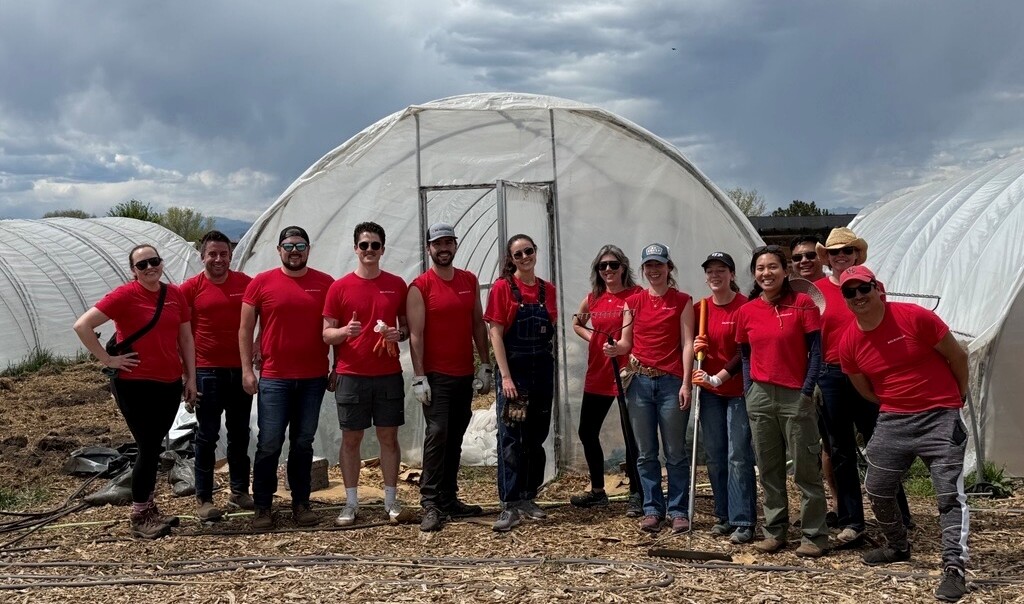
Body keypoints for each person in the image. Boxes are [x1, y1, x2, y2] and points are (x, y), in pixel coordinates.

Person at [837, 265, 970, 602]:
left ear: (877, 288)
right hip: (894, 419)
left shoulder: (915, 318)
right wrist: (897, 403)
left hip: (939, 415)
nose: (858, 297)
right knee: (878, 487)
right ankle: (897, 545)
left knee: (948, 495)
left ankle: (954, 568)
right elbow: (865, 389)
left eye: (863, 288)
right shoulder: (849, 341)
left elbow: (957, 356)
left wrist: (958, 397)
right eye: (849, 292)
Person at [72, 244, 196, 539]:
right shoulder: (125, 295)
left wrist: (191, 377)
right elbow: (82, 325)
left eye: (154, 261)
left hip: (168, 383)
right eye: (142, 265)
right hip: (134, 383)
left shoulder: (174, 295)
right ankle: (140, 514)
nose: (150, 267)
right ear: (133, 271)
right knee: (149, 446)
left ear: (161, 263)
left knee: (153, 447)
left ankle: (148, 507)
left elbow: (186, 339)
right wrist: (108, 359)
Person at [815, 227, 912, 544]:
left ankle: (898, 516)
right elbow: (812, 340)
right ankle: (852, 521)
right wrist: (813, 378)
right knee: (841, 449)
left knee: (881, 445)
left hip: (868, 373)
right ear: (827, 258)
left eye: (847, 251)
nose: (840, 256)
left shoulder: (872, 287)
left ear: (856, 254)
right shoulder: (815, 293)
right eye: (834, 252)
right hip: (832, 374)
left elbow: (885, 330)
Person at [736, 245, 828, 557]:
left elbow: (816, 352)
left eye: (773, 267)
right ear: (754, 273)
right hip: (760, 396)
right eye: (760, 268)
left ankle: (813, 535)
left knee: (805, 469)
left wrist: (806, 392)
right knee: (769, 469)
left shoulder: (802, 305)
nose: (766, 273)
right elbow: (745, 354)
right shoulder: (747, 311)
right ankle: (774, 532)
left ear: (785, 271)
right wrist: (749, 388)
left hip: (795, 395)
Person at [240, 226, 333, 530]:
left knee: (303, 442)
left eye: (301, 246)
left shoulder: (325, 284)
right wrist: (246, 369)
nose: (295, 251)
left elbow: (338, 328)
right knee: (269, 442)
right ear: (279, 249)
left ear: (309, 249)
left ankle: (301, 503)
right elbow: (245, 329)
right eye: (289, 246)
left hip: (313, 377)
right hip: (275, 378)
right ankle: (263, 506)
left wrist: (336, 368)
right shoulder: (261, 283)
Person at [406, 223, 491, 532]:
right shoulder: (421, 286)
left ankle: (449, 498)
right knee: (437, 433)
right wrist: (419, 377)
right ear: (429, 248)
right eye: (437, 244)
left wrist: (485, 364)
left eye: (448, 243)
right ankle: (429, 502)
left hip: (463, 373)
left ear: (455, 246)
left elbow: (477, 325)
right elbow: (415, 335)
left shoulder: (468, 280)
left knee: (455, 435)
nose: (443, 248)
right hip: (436, 375)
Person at [323, 222, 409, 527]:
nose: (369, 250)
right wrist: (346, 331)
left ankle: (391, 500)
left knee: (388, 437)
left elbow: (407, 327)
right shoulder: (340, 287)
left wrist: (399, 334)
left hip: (387, 374)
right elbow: (326, 334)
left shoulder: (397, 284)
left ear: (383, 249)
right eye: (364, 245)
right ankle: (350, 502)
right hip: (351, 375)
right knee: (351, 438)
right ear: (355, 249)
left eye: (375, 245)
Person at [610, 243, 695, 534]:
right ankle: (652, 508)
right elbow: (625, 342)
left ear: (669, 267)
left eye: (659, 264)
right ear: (643, 269)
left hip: (671, 383)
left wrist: (686, 382)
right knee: (645, 452)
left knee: (675, 451)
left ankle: (679, 509)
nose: (654, 270)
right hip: (640, 383)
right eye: (649, 265)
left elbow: (687, 344)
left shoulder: (682, 300)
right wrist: (613, 349)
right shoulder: (632, 303)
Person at [179, 230, 254, 521]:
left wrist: (258, 344)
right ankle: (204, 498)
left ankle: (239, 491)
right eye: (212, 254)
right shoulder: (190, 289)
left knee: (239, 435)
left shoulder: (245, 285)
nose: (218, 259)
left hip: (240, 370)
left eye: (223, 253)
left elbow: (263, 317)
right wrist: (188, 376)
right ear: (202, 257)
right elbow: (181, 335)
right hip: (206, 372)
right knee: (207, 436)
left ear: (231, 254)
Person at [484, 234, 557, 532]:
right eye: (518, 254)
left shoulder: (546, 290)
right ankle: (510, 503)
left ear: (535, 253)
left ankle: (529, 495)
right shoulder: (503, 289)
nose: (525, 257)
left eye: (528, 251)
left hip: (542, 372)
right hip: (516, 375)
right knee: (512, 439)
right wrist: (505, 377)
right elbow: (495, 334)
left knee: (536, 437)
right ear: (511, 259)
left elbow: (550, 329)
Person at [569, 245, 643, 517]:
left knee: (631, 436)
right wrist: (594, 339)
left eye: (613, 265)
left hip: (627, 374)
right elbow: (577, 323)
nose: (608, 270)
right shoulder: (593, 298)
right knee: (587, 432)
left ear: (623, 267)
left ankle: (637, 493)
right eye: (603, 266)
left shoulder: (636, 296)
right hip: (598, 373)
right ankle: (598, 492)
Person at [690, 252, 757, 544]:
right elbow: (686, 346)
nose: (715, 275)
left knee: (738, 455)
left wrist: (719, 377)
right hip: (710, 393)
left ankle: (743, 518)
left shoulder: (745, 307)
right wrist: (695, 348)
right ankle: (723, 516)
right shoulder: (699, 309)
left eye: (721, 270)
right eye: (710, 270)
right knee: (715, 456)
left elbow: (745, 351)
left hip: (738, 391)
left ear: (731, 274)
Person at [788, 234, 840, 529]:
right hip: (801, 377)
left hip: (835, 373)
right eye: (797, 258)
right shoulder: (792, 293)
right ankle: (819, 509)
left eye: (809, 255)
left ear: (821, 258)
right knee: (808, 445)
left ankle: (843, 506)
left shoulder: (839, 288)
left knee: (835, 445)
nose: (804, 261)